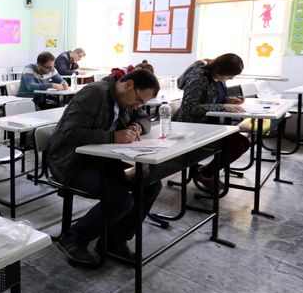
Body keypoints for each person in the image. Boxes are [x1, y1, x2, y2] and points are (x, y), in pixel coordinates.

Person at [47, 69, 161, 267]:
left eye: (142, 104)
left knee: (151, 184)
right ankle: (74, 238)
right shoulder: (94, 93)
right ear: (128, 85)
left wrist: (137, 127)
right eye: (139, 100)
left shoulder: (126, 99)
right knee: (121, 200)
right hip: (71, 162)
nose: (137, 106)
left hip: (102, 160)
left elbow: (144, 118)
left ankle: (114, 240)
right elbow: (70, 132)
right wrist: (113, 137)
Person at [173, 53, 249, 190]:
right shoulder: (198, 78)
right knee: (236, 146)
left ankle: (205, 172)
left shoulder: (218, 77)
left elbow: (212, 98)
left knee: (244, 143)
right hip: (191, 126)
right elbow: (190, 107)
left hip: (209, 124)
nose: (231, 78)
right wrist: (223, 106)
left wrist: (228, 100)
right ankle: (206, 173)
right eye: (229, 75)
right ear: (220, 69)